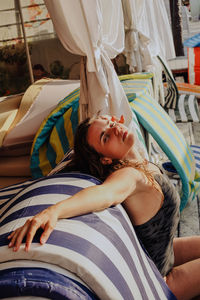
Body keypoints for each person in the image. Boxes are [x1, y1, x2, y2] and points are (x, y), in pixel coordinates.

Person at [8, 114, 200, 300]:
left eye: (109, 122)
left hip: (167, 251)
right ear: (105, 159)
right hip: (162, 281)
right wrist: (53, 211)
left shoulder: (136, 161)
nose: (115, 128)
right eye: (106, 137)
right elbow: (105, 194)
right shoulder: (129, 176)